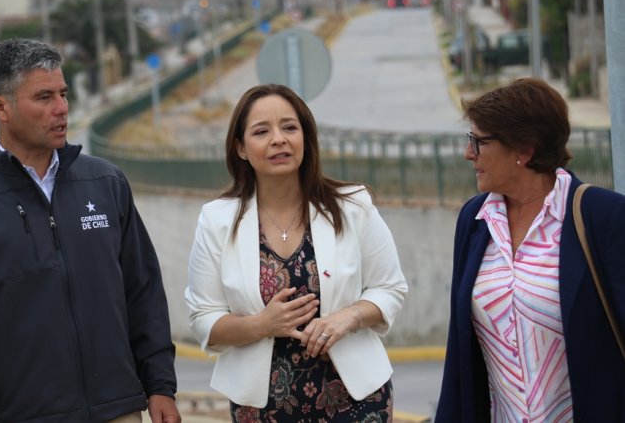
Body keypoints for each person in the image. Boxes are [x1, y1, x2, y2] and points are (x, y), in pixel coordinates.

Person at [0, 38, 181, 423]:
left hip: (117, 408)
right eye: (43, 97)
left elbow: (143, 292)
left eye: (63, 94)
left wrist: (159, 385)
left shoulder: (105, 183)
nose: (62, 109)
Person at [184, 83, 408, 421]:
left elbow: (390, 289)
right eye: (262, 131)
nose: (279, 139)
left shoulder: (353, 206)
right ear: (241, 148)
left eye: (290, 127)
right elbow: (205, 320)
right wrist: (263, 324)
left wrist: (347, 318)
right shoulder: (216, 220)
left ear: (306, 137)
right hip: (261, 408)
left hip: (357, 401)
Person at [435, 77, 625, 422]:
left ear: (524, 150)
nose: (468, 153)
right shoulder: (475, 220)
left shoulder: (603, 216)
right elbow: (460, 353)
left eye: (479, 142)